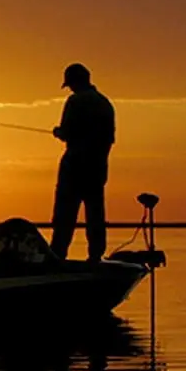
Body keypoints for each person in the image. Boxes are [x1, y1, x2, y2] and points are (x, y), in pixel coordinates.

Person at [50, 63, 115, 262]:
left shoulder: (75, 101)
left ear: (75, 82)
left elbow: (67, 132)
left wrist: (59, 132)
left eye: (70, 84)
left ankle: (57, 255)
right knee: (95, 213)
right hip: (97, 167)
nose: (70, 88)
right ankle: (96, 256)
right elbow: (109, 138)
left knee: (65, 213)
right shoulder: (105, 103)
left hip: (74, 166)